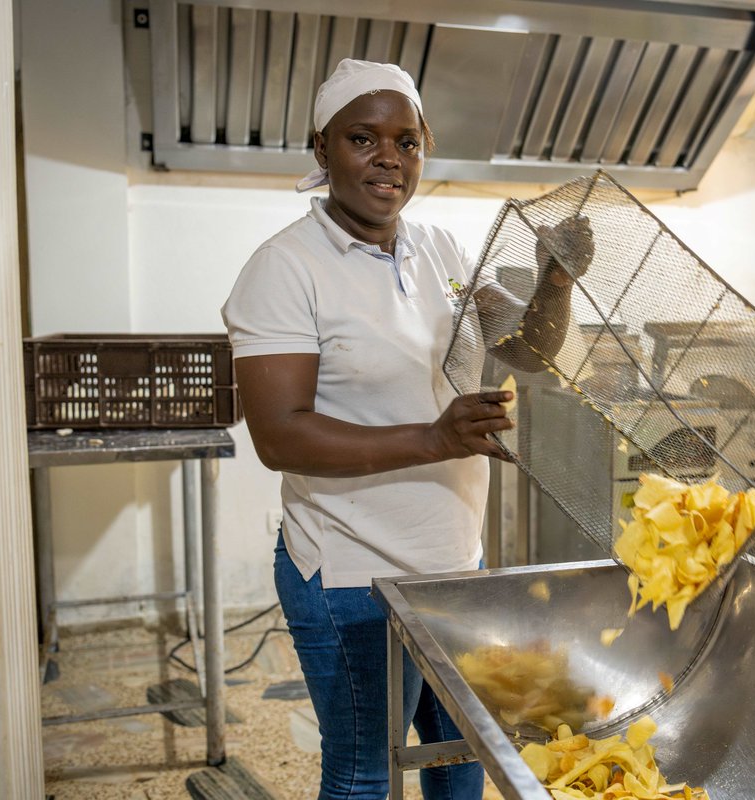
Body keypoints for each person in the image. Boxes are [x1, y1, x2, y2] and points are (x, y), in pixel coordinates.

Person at [221, 59, 590, 800]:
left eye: (408, 142)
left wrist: (554, 283)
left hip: (452, 562)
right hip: (353, 573)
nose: (389, 158)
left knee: (460, 755)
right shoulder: (286, 268)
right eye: (363, 138)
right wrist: (435, 439)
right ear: (322, 148)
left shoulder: (441, 250)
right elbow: (280, 436)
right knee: (364, 770)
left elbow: (525, 350)